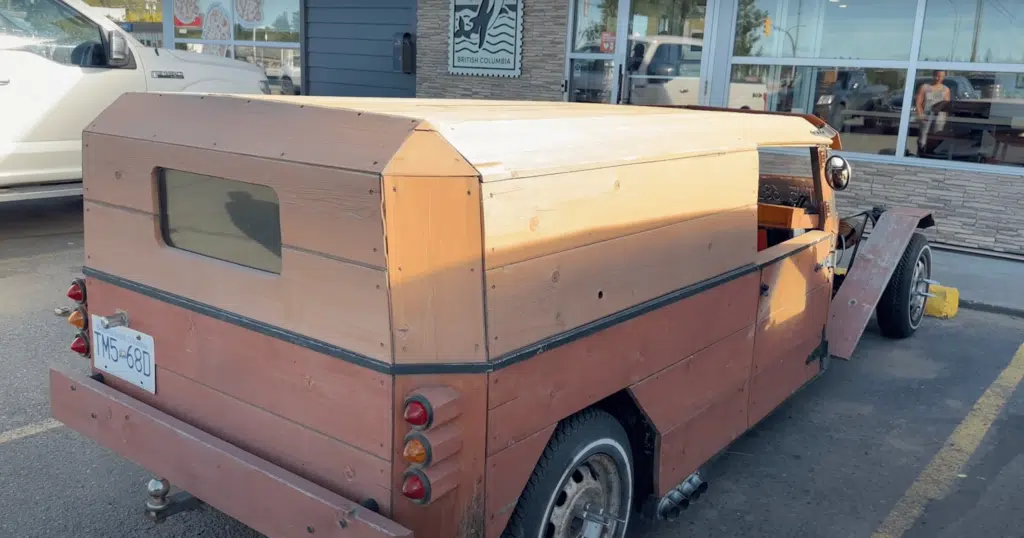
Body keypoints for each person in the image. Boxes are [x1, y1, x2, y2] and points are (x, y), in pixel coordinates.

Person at [915, 70, 951, 152]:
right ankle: (921, 152)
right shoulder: (924, 87)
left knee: (937, 137)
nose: (938, 78)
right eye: (936, 76)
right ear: (933, 75)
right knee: (923, 137)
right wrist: (920, 114)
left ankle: (934, 154)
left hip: (939, 118)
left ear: (944, 77)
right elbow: (918, 102)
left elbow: (947, 104)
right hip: (926, 116)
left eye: (940, 76)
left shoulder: (946, 90)